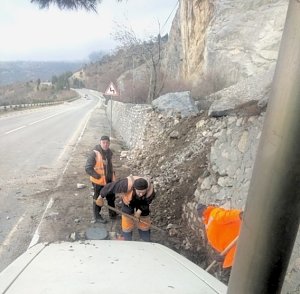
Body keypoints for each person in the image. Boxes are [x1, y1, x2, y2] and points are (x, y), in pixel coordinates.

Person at [97, 175, 156, 241]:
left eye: (143, 192)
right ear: (134, 188)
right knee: (127, 218)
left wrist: (139, 212)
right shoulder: (125, 184)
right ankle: (127, 239)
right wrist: (100, 197)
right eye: (139, 192)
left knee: (144, 219)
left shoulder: (150, 191)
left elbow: (146, 203)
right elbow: (110, 187)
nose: (141, 194)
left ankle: (145, 239)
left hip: (142, 203)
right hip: (128, 202)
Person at [197, 204, 243, 269]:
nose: (202, 217)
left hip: (237, 248)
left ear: (205, 209)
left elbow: (226, 215)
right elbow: (219, 240)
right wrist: (221, 256)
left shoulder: (214, 213)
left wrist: (239, 214)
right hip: (230, 255)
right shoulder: (207, 223)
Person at [85, 135, 116, 223]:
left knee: (111, 197)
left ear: (109, 143)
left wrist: (113, 177)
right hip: (98, 182)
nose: (105, 144)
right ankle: (97, 216)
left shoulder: (109, 152)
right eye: (103, 142)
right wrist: (97, 176)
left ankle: (112, 214)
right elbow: (88, 168)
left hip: (109, 180)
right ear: (100, 142)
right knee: (98, 198)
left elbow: (110, 166)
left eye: (107, 143)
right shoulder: (94, 153)